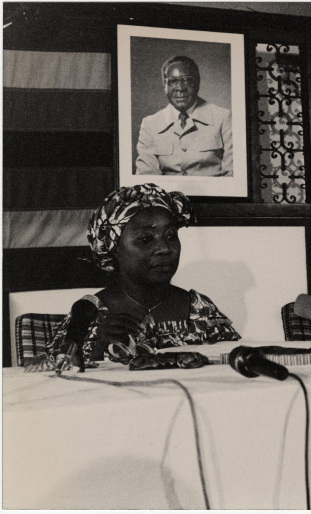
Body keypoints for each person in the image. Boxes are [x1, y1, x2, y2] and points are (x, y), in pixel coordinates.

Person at [47, 183, 240, 364]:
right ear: (113, 248)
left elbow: (230, 368)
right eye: (146, 239)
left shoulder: (199, 309)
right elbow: (61, 383)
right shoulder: (88, 314)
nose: (164, 248)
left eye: (171, 236)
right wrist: (99, 346)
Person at [135, 56, 233, 176]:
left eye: (187, 80)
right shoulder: (150, 124)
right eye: (172, 81)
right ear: (164, 85)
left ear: (198, 83)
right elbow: (147, 178)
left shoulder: (223, 118)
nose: (180, 88)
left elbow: (232, 175)